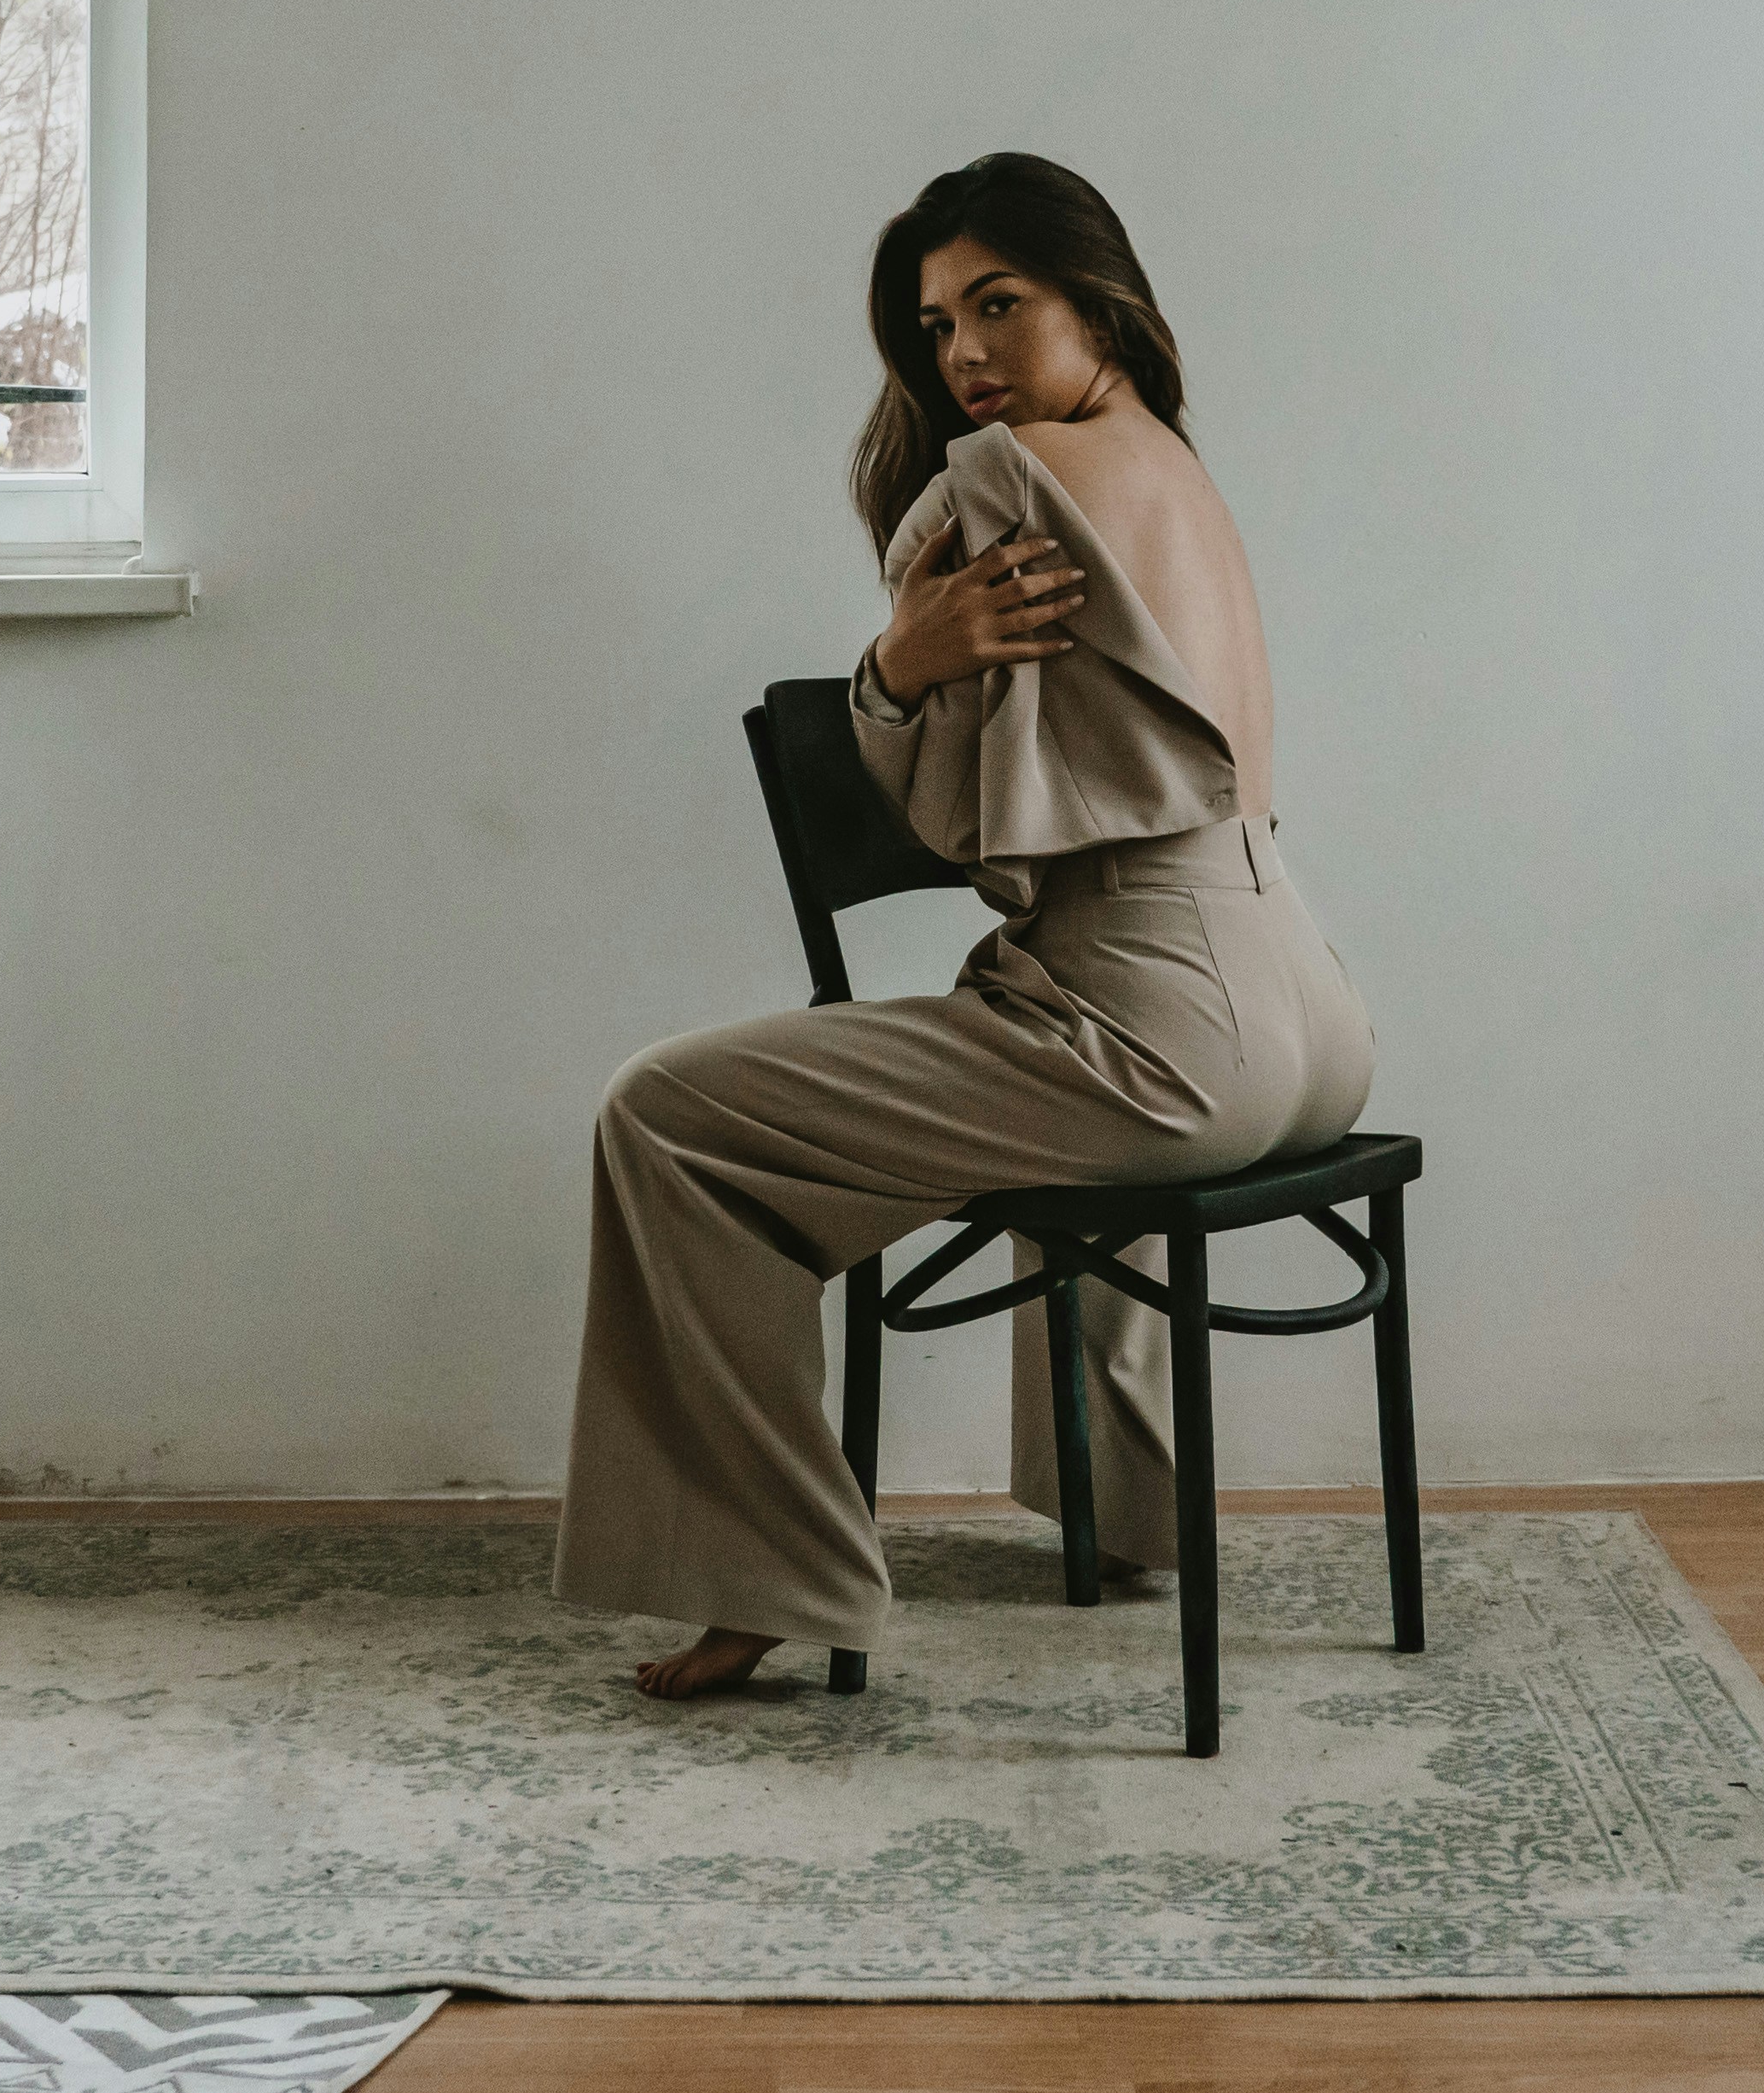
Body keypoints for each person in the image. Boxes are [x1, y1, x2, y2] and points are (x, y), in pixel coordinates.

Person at [555, 152, 1375, 1699]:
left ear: (1098, 305)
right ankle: (1128, 1513)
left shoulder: (1004, 481)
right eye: (937, 327)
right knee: (1041, 1041)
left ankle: (766, 1570)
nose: (963, 356)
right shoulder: (1178, 470)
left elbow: (956, 823)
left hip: (1161, 1031)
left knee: (661, 1114)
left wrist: (896, 663)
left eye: (999, 305)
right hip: (1312, 1014)